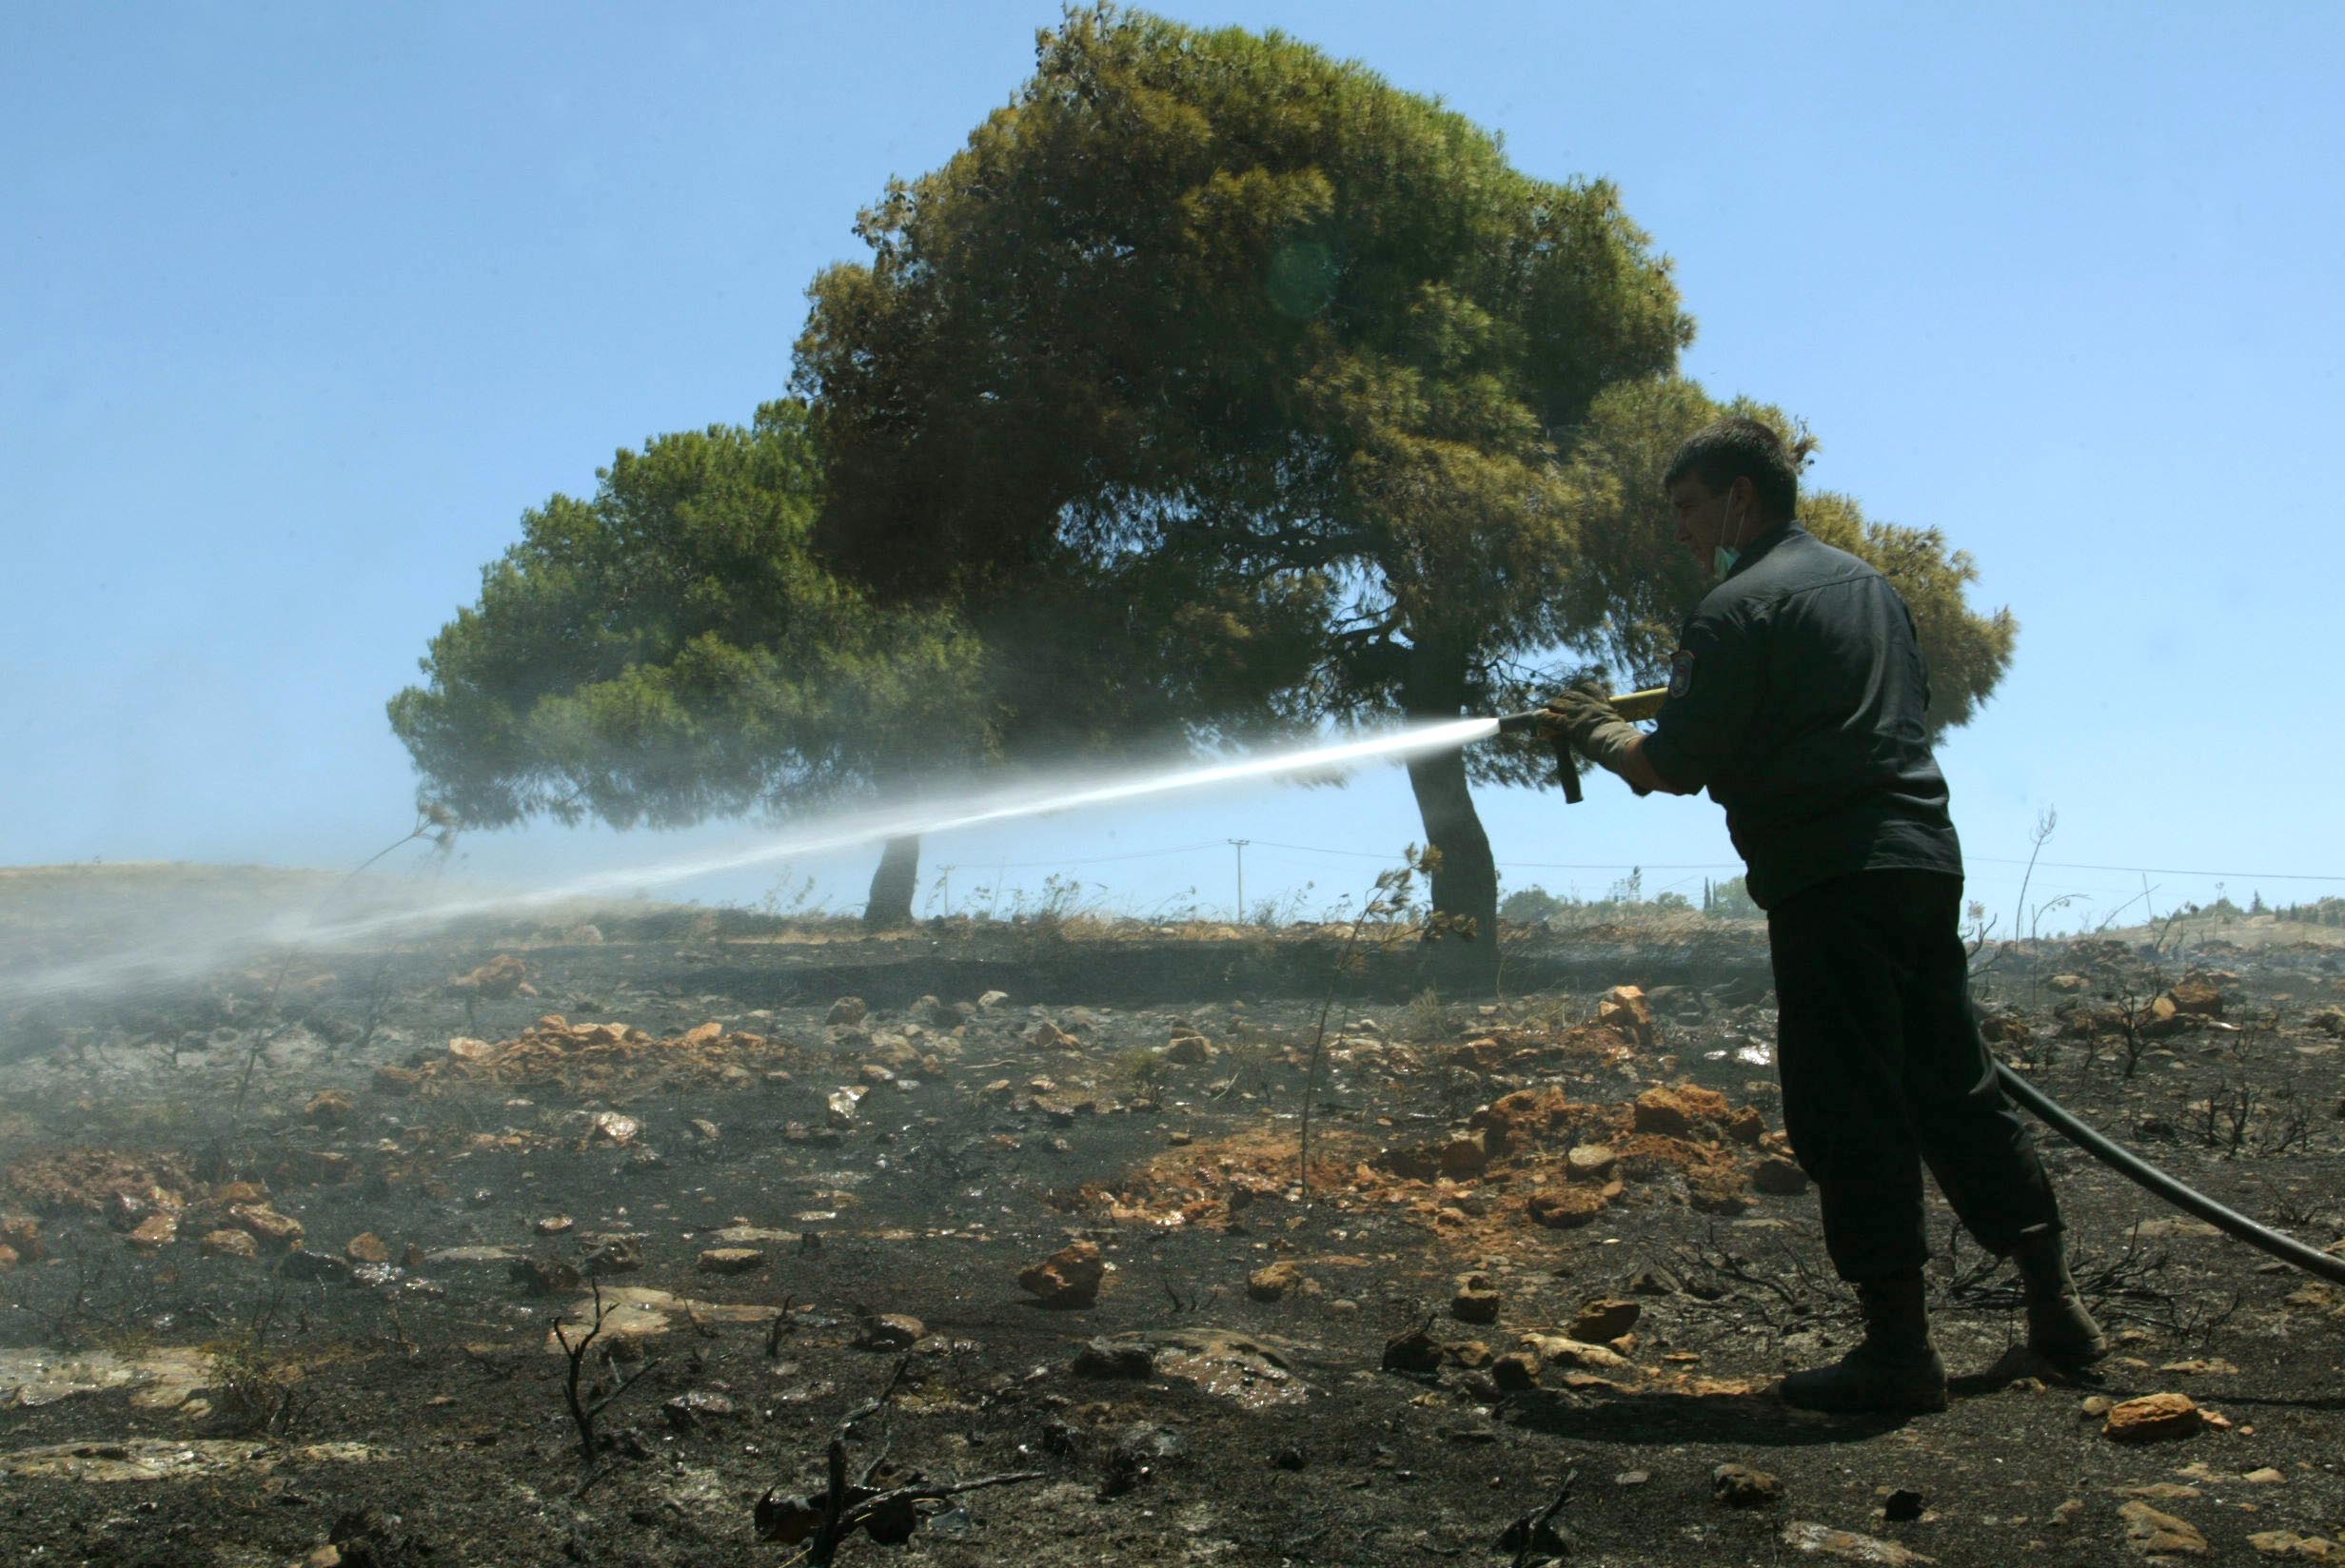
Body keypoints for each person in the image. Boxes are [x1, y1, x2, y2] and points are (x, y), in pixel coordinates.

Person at [1543, 416, 2104, 1413]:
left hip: (1826, 880)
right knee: (1953, 1084)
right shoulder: (1868, 589)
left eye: (1686, 509)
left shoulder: (1729, 608)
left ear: (1738, 501)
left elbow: (1670, 765)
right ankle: (2053, 1307)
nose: (1680, 530)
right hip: (1921, 863)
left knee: (1849, 1105)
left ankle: (1897, 1351)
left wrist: (1594, 729)